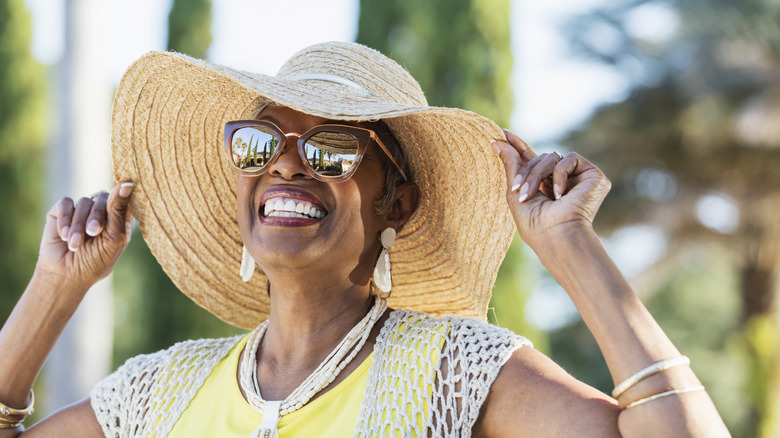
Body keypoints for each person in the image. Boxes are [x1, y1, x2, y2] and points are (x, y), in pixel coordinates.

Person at [0, 41, 729, 437]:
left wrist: (573, 250)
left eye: (333, 150)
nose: (286, 161)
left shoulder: (458, 373)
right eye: (260, 143)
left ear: (397, 202)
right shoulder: (158, 393)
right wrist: (53, 291)